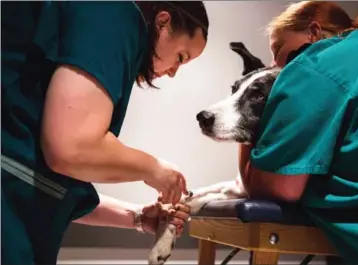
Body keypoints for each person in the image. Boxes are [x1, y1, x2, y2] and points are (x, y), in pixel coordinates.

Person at [1, 1, 209, 264]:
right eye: (181, 57)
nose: (173, 73)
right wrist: (154, 168)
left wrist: (138, 216)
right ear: (163, 22)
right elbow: (70, 150)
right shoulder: (113, 12)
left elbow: (50, 184)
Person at [238, 1, 358, 265]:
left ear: (313, 33)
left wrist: (245, 129)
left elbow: (278, 187)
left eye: (277, 50)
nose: (274, 65)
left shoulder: (310, 65)